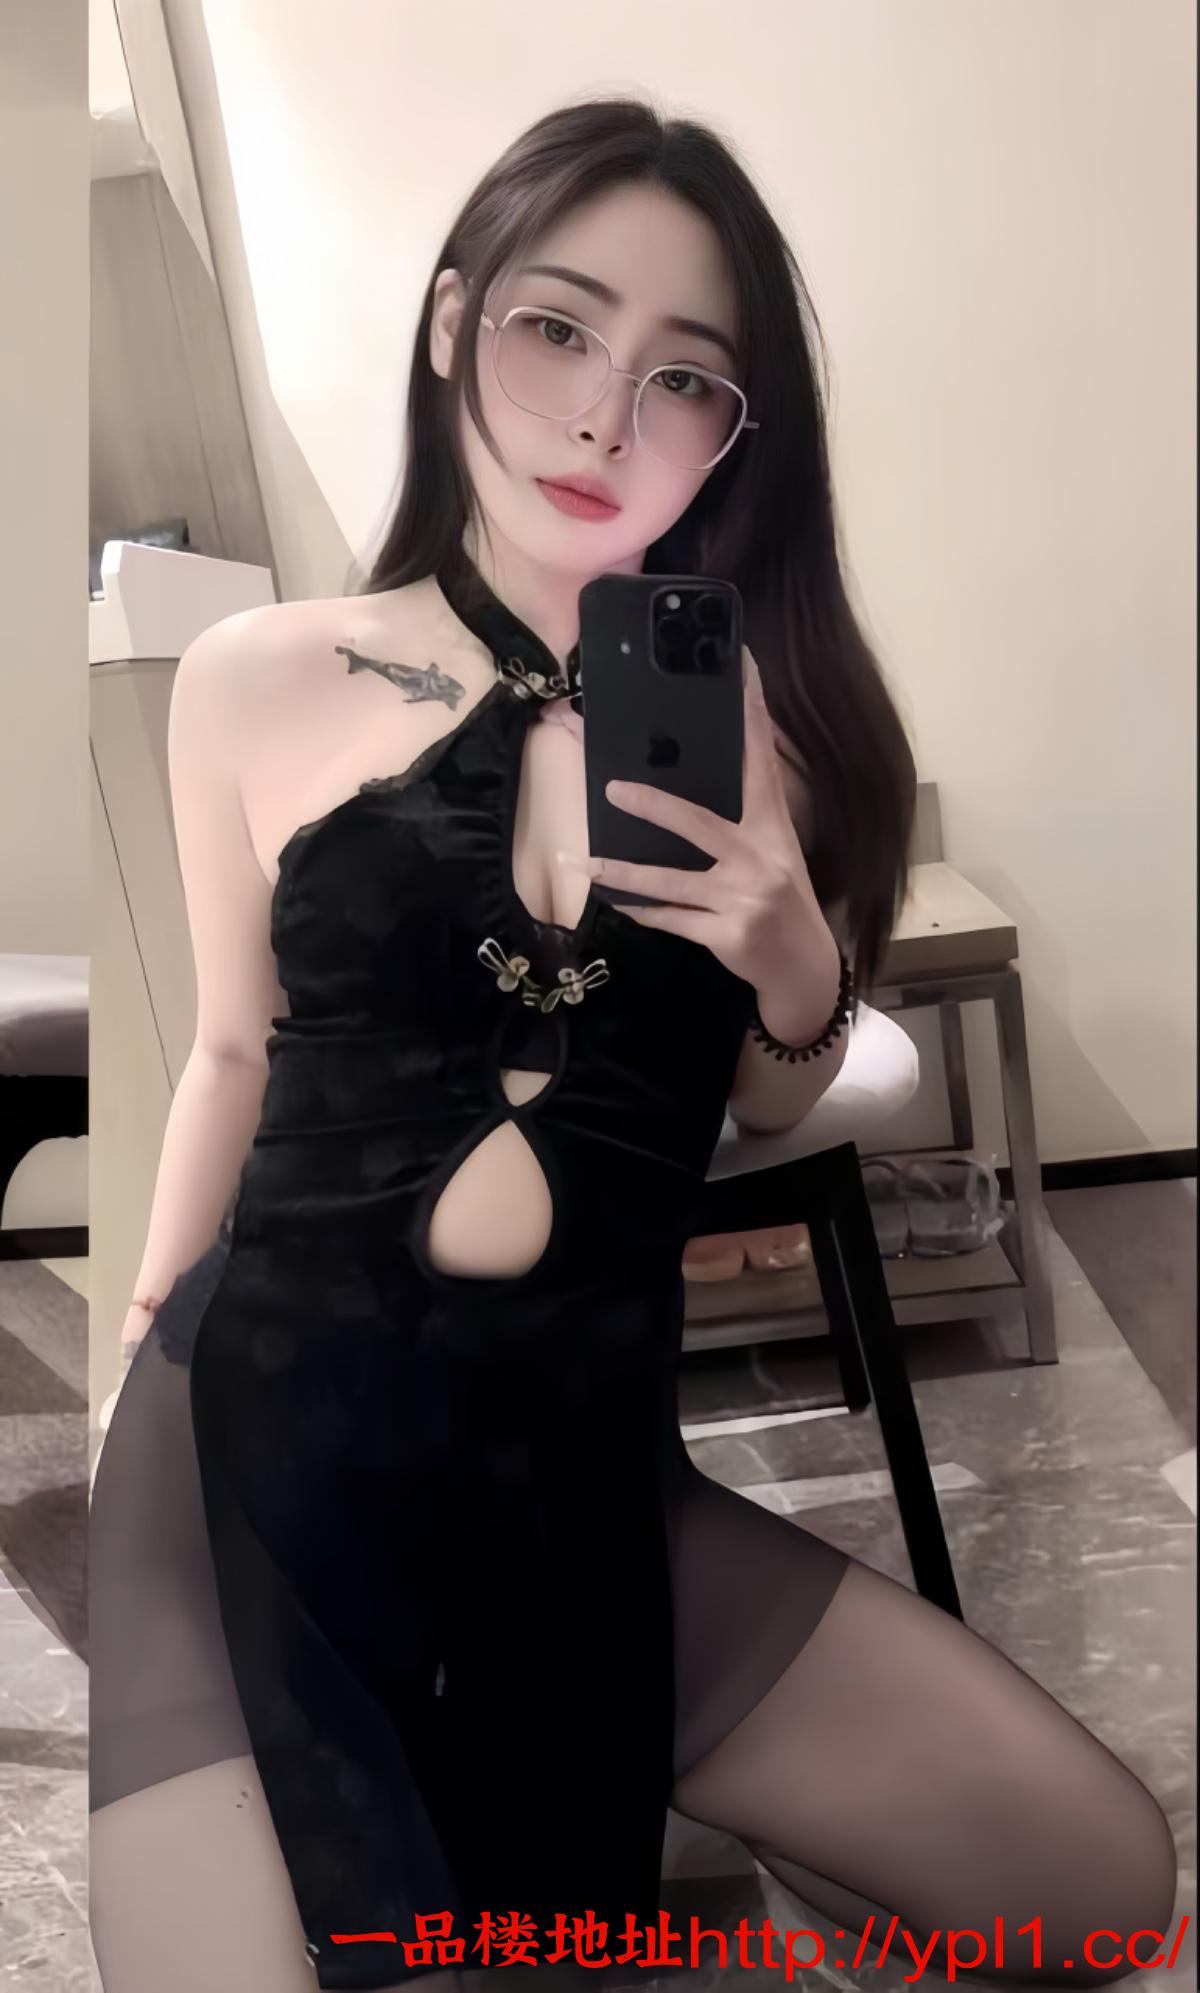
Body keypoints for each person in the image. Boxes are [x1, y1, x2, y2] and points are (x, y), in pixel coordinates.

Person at [88, 97, 1177, 1993]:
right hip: (263, 1458)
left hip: (578, 1487)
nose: (607, 417)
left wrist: (792, 960)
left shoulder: (779, 736)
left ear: (738, 435)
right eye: (558, 329)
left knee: (1098, 1885)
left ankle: (663, 1798)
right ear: (454, 327)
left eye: (682, 377)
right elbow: (235, 1053)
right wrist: (134, 1362)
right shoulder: (259, 680)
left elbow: (765, 1088)